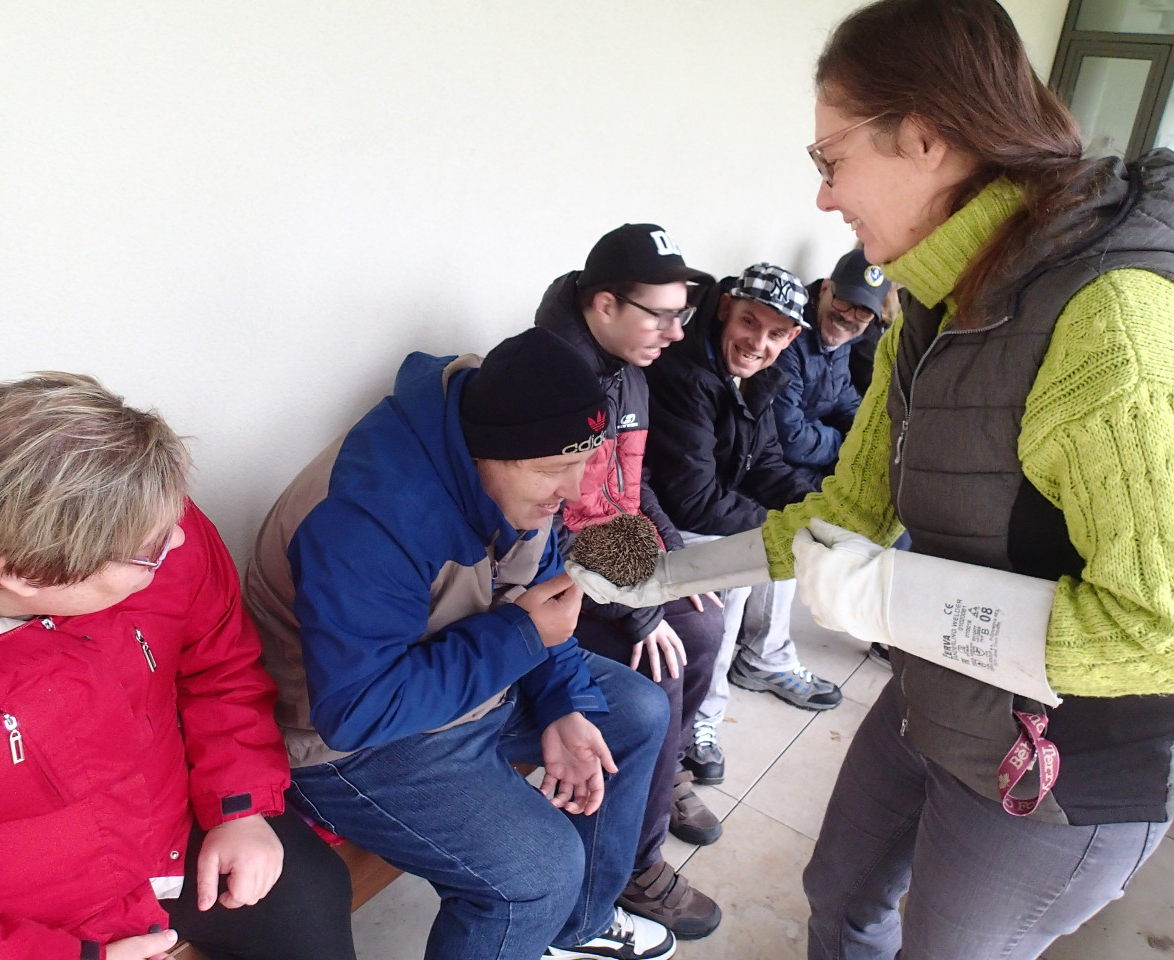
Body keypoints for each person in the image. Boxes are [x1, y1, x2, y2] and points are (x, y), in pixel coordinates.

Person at [568, 1, 1174, 957]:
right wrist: (661, 574)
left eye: (831, 159)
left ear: (925, 138)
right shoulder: (931, 301)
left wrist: (895, 598)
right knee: (841, 894)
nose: (823, 198)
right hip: (942, 695)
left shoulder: (1124, 325)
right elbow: (848, 511)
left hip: (1068, 767)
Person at [243, 328, 675, 960]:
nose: (577, 491)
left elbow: (538, 595)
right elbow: (357, 711)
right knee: (538, 872)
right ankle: (535, 914)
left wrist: (562, 703)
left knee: (636, 711)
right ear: (487, 454)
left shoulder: (517, 473)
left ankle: (574, 930)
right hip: (347, 741)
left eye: (585, 461)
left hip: (464, 677)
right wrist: (523, 637)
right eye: (554, 470)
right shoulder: (366, 518)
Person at [0, 372, 356, 960]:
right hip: (31, 921)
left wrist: (240, 806)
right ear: (23, 574)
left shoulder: (143, 518)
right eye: (147, 550)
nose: (177, 540)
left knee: (309, 893)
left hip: (169, 835)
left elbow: (221, 668)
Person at [534, 222, 725, 939]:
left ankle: (664, 779)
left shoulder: (631, 373)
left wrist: (674, 560)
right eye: (662, 315)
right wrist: (644, 612)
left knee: (704, 623)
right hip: (555, 580)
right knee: (658, 667)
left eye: (683, 314)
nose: (677, 333)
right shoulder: (549, 380)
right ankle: (638, 866)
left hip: (614, 560)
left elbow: (633, 492)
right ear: (605, 303)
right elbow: (551, 524)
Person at [643, 262, 844, 787]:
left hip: (702, 509)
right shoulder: (686, 373)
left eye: (776, 334)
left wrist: (818, 515)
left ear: (791, 338)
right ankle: (700, 721)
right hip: (660, 521)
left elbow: (768, 465)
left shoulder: (760, 377)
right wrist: (781, 527)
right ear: (727, 309)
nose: (758, 343)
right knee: (746, 557)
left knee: (794, 536)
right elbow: (692, 500)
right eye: (749, 323)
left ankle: (764, 659)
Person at [772, 248, 890, 488]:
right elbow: (788, 436)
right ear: (825, 289)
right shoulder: (789, 336)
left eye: (864, 311)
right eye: (845, 300)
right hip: (777, 466)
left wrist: (871, 434)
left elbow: (845, 398)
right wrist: (843, 443)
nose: (849, 317)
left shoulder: (841, 342)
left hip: (813, 458)